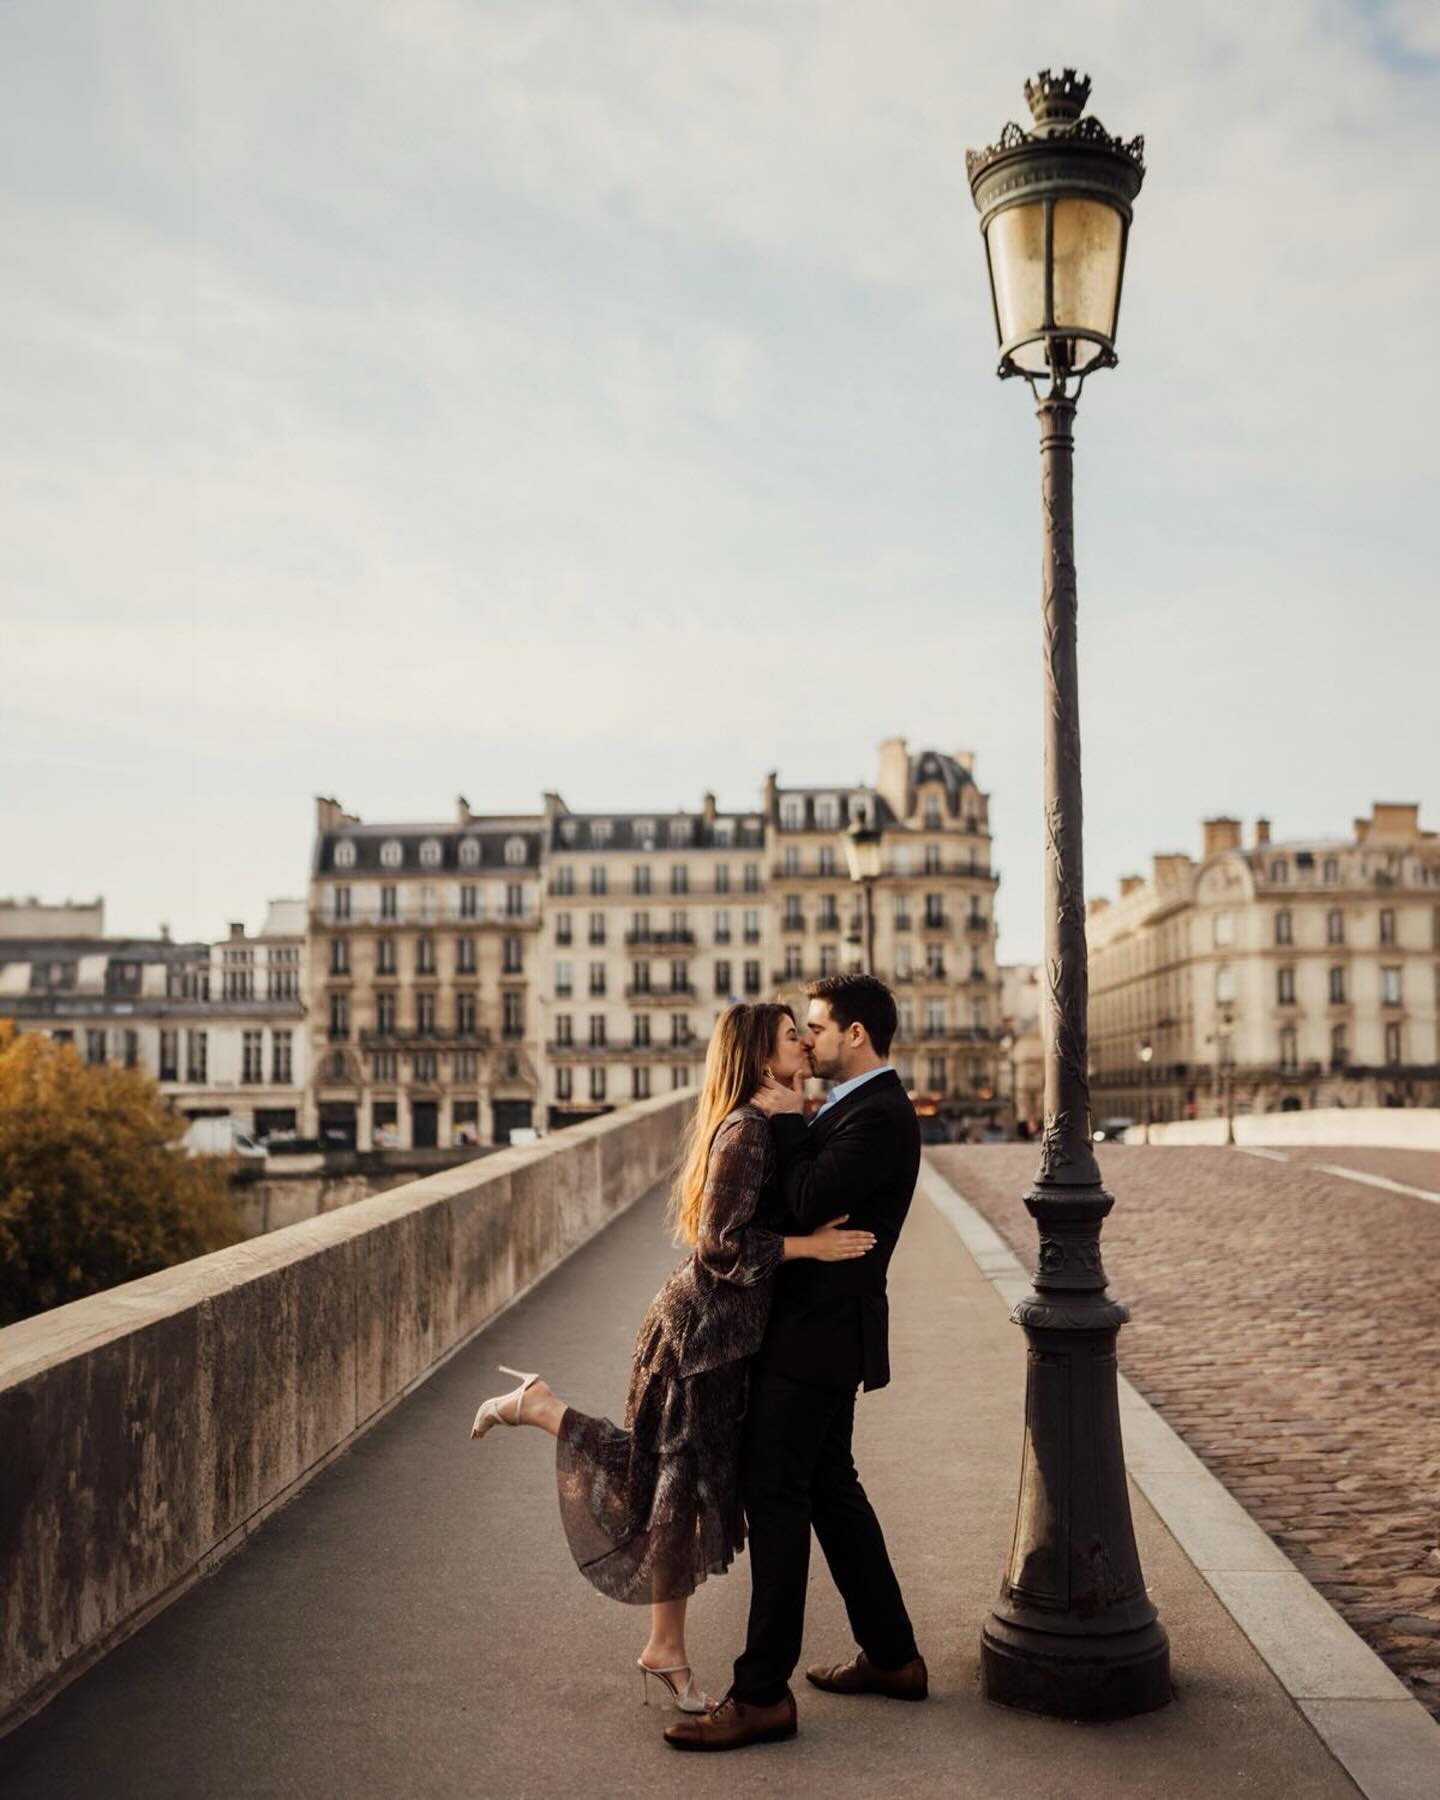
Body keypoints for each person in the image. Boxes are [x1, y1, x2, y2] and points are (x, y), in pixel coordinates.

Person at [467, 1001, 875, 1713]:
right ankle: (664, 1645)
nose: (806, 1044)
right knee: (670, 1486)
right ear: (757, 1055)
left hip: (720, 1341)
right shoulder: (746, 1131)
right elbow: (717, 1242)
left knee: (673, 1485)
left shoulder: (765, 1119)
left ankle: (541, 1409)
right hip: (697, 1340)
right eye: (791, 1037)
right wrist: (807, 1247)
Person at [665, 973, 925, 1753]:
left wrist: (779, 1122)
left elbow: (808, 1198)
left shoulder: (879, 1116)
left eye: (816, 1026)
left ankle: (761, 1695)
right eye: (798, 1030)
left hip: (814, 1339)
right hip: (820, 1333)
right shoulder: (848, 1108)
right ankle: (893, 1655)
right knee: (829, 1492)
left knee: (776, 1500)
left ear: (855, 1035)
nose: (807, 1039)